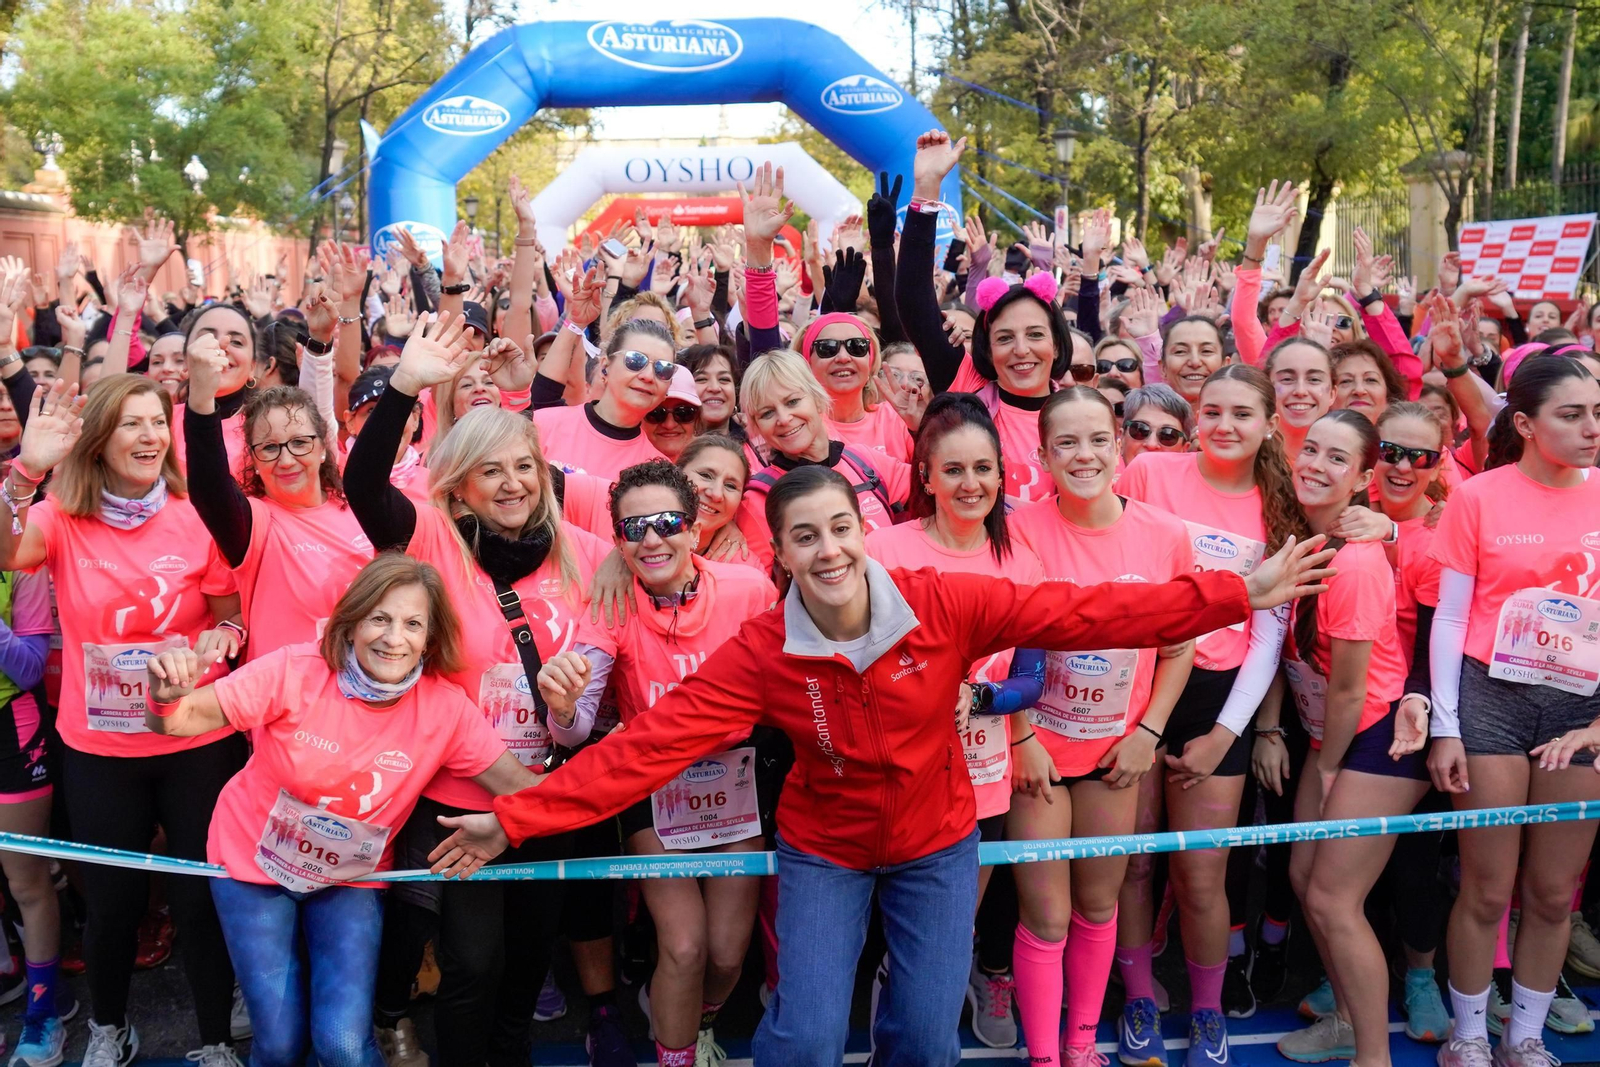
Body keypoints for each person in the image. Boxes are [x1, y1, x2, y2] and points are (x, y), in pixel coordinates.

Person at [427, 463, 1338, 1067]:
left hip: (936, 844)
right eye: (804, 537)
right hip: (826, 848)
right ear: (778, 554)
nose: (827, 550)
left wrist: (1229, 593)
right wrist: (511, 818)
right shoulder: (761, 651)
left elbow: (1081, 611)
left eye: (840, 529)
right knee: (811, 1032)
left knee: (923, 1036)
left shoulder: (944, 600)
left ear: (864, 532)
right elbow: (644, 748)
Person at [141, 554, 543, 1067]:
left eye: (412, 624)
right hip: (253, 864)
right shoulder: (295, 670)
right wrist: (165, 696)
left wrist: (586, 745)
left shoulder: (445, 709)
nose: (394, 638)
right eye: (380, 618)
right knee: (282, 1045)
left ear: (429, 638)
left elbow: (526, 790)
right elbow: (178, 721)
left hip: (352, 877)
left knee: (344, 1046)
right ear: (350, 622)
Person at [344, 311, 614, 1066]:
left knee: (530, 959)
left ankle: (510, 1053)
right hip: (460, 798)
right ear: (459, 487)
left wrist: (571, 710)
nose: (513, 483)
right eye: (491, 470)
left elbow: (600, 688)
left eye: (524, 466)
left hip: (550, 796)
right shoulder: (433, 539)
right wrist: (401, 388)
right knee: (473, 961)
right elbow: (363, 484)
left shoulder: (588, 556)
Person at [1115, 364, 1385, 1043]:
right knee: (1135, 864)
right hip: (1136, 686)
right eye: (1212, 411)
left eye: (1242, 413)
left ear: (1269, 424)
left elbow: (1268, 631)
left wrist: (1228, 731)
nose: (1224, 426)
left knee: (1202, 875)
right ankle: (1140, 995)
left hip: (1219, 698)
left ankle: (1207, 1007)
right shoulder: (1150, 473)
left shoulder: (1278, 500)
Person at [0, 375, 248, 1066]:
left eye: (155, 423)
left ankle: (214, 1039)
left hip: (195, 735)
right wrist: (25, 471)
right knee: (111, 902)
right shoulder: (59, 514)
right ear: (100, 439)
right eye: (131, 424)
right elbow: (5, 554)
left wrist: (211, 645)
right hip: (100, 746)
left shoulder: (195, 515)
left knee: (200, 896)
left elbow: (229, 618)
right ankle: (110, 1028)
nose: (148, 436)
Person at [1007, 387, 1197, 1067]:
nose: (1083, 455)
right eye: (1066, 443)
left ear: (1119, 444)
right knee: (1047, 914)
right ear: (1043, 454)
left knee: (1097, 903)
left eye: (1096, 440)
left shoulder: (1165, 533)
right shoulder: (1022, 528)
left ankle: (1083, 1044)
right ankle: (1043, 1055)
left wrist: (1149, 730)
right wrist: (1022, 736)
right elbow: (1005, 641)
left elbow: (1180, 645)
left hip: (1118, 748)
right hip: (1039, 756)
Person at [571, 461, 779, 1067]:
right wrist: (563, 709)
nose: (651, 538)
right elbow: (578, 722)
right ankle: (675, 1052)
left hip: (736, 785)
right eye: (633, 529)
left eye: (666, 523)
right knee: (685, 947)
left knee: (725, 955)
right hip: (653, 789)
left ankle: (701, 1018)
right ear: (617, 540)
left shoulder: (748, 589)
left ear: (693, 528)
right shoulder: (611, 598)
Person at [1427, 356, 1600, 1067]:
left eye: (1597, 412)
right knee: (1488, 885)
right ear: (1524, 425)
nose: (1593, 427)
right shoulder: (1479, 497)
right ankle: (1468, 1032)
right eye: (1573, 414)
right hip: (1491, 700)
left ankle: (1523, 1036)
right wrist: (1445, 724)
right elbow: (1449, 616)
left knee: (1555, 892)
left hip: (1581, 709)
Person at [863, 394, 1047, 1050]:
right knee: (900, 921)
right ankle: (897, 1026)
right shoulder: (883, 550)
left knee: (952, 924)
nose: (971, 483)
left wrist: (981, 698)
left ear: (1002, 474)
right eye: (954, 470)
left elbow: (1033, 679)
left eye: (984, 468)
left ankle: (924, 1028)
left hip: (983, 772)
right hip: (900, 768)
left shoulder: (1022, 561)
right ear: (927, 477)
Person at [1267, 410, 1431, 1067]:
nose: (1316, 464)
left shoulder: (1358, 562)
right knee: (1307, 877)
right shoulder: (1304, 540)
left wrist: (1329, 767)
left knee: (1335, 896)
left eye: (1338, 458)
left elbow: (1349, 687)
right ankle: (1341, 1019)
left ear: (1364, 477)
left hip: (1377, 739)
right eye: (1311, 448)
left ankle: (1373, 1055)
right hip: (1328, 736)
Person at [895, 131, 1110, 506]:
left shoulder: (1081, 412)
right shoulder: (966, 386)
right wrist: (927, 189)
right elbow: (914, 300)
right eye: (1005, 337)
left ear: (1057, 343)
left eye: (1035, 335)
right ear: (987, 347)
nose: (1021, 350)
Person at [185, 342, 369, 661]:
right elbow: (209, 488)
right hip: (284, 706)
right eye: (269, 448)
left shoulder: (362, 510)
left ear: (323, 447)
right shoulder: (254, 524)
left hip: (361, 703)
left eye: (299, 442)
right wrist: (201, 397)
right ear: (253, 459)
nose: (286, 460)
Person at [735, 349, 911, 571]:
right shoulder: (759, 499)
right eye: (767, 413)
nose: (784, 419)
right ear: (756, 425)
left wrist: (919, 426)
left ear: (817, 399)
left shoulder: (864, 461)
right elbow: (762, 586)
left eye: (792, 402)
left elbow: (937, 492)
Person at [0, 558, 69, 1066]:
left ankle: (44, 1012)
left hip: (12, 728)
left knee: (26, 882)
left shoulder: (15, 560)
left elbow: (28, 666)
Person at [531, 294, 673, 480]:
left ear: (668, 389)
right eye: (635, 360)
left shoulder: (660, 473)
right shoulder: (542, 424)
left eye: (663, 369)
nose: (648, 376)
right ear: (605, 367)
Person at [796, 313, 914, 462]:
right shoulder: (799, 429)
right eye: (827, 348)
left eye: (857, 346)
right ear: (807, 362)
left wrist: (918, 428)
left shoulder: (898, 417)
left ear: (870, 362)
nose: (843, 357)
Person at [640, 366, 701, 463]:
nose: (669, 425)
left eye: (683, 413)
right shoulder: (622, 462)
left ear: (697, 416)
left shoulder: (717, 460)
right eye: (656, 413)